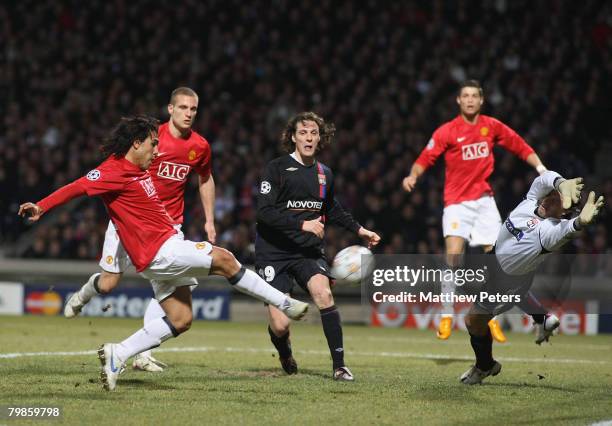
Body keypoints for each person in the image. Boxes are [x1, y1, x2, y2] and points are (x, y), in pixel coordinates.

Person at [19, 115, 309, 391]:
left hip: (164, 246)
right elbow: (78, 187)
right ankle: (282, 301)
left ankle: (118, 354)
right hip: (159, 251)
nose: (157, 151)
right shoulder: (112, 171)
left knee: (181, 319)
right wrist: (42, 206)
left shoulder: (141, 167)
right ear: (136, 143)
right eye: (152, 144)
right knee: (225, 259)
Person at [63, 87, 215, 373]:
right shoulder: (149, 139)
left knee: (168, 284)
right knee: (109, 284)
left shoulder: (200, 146)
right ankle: (84, 293)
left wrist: (210, 220)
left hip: (168, 226)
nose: (189, 114)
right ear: (170, 109)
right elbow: (115, 167)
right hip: (128, 220)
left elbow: (205, 179)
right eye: (183, 107)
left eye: (193, 109)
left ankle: (141, 354)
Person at [402, 79, 547, 342]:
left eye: (474, 96)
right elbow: (426, 157)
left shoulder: (491, 126)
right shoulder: (447, 130)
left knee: (498, 261)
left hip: (484, 203)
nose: (469, 100)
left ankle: (490, 318)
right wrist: (413, 176)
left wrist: (541, 170)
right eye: (465, 96)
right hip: (457, 203)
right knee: (454, 255)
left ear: (481, 101)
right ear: (458, 101)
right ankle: (446, 315)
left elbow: (519, 145)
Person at [256, 112, 381, 381]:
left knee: (323, 294)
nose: (309, 137)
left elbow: (332, 210)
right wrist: (302, 225)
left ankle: (339, 366)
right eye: (303, 133)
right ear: (293, 137)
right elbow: (264, 212)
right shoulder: (276, 169)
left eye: (313, 133)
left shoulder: (325, 174)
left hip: (307, 252)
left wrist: (360, 230)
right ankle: (285, 351)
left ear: (320, 138)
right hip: (273, 253)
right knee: (280, 325)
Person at [460, 171, 603, 384]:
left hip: (507, 282)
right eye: (553, 194)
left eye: (558, 201)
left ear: (563, 213)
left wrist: (579, 223)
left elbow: (567, 230)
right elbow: (543, 178)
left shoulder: (548, 232)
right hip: (496, 262)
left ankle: (485, 366)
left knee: (473, 322)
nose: (551, 199)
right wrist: (561, 183)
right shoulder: (531, 201)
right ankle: (542, 319)